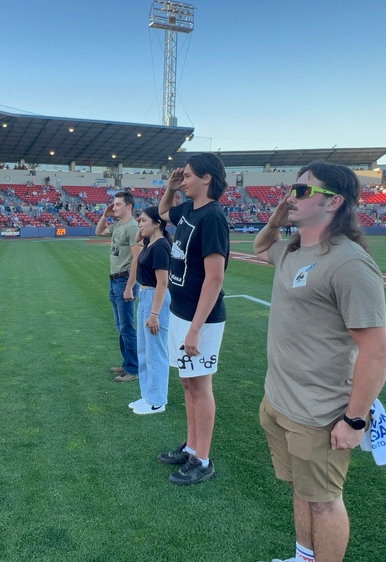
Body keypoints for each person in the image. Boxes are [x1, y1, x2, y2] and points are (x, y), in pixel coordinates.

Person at [252, 161, 386, 562]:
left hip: (319, 412)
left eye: (302, 191)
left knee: (324, 502)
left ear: (333, 202)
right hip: (280, 401)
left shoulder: (349, 263)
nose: (290, 197)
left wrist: (354, 420)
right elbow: (261, 246)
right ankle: (303, 557)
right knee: (301, 490)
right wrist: (278, 217)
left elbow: (377, 350)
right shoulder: (292, 249)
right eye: (290, 189)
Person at [156, 153, 230, 485]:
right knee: (188, 383)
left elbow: (215, 278)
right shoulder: (189, 209)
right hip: (181, 311)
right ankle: (191, 446)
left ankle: (203, 459)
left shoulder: (213, 217)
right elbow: (162, 212)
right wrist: (170, 188)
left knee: (200, 386)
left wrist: (195, 331)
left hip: (201, 320)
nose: (183, 180)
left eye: (187, 176)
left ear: (206, 179)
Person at [128, 206, 171, 415]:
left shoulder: (161, 246)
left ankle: (157, 400)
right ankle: (147, 395)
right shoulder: (148, 241)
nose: (140, 223)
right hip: (145, 296)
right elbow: (137, 238)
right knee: (144, 350)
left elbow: (163, 283)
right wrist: (143, 225)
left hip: (156, 298)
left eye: (144, 220)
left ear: (157, 223)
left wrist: (154, 314)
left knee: (156, 352)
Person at [95, 191, 140, 382]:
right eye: (114, 204)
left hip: (124, 281)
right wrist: (105, 215)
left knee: (127, 327)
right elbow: (98, 232)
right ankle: (126, 362)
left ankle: (133, 369)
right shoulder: (119, 225)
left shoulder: (132, 227)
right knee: (120, 326)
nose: (114, 207)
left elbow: (137, 260)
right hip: (114, 280)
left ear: (129, 207)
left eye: (118, 204)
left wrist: (130, 287)